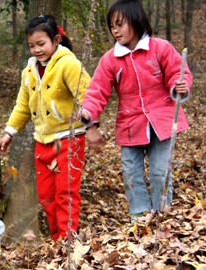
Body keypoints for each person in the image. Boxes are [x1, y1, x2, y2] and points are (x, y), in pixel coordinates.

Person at [81, 0, 192, 219]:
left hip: (162, 122)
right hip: (130, 127)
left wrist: (180, 86)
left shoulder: (160, 48)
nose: (115, 30)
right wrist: (89, 116)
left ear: (136, 21)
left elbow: (178, 74)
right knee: (131, 174)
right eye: (112, 26)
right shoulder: (109, 60)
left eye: (120, 24)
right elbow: (96, 92)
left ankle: (163, 217)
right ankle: (140, 220)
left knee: (161, 172)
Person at [0, 15, 91, 241]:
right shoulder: (29, 72)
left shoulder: (68, 64)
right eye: (31, 46)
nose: (36, 50)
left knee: (65, 192)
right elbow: (22, 106)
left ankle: (68, 240)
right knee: (46, 194)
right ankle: (58, 237)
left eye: (41, 44)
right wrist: (10, 133)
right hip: (43, 142)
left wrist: (87, 112)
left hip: (69, 139)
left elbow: (88, 91)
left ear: (56, 40)